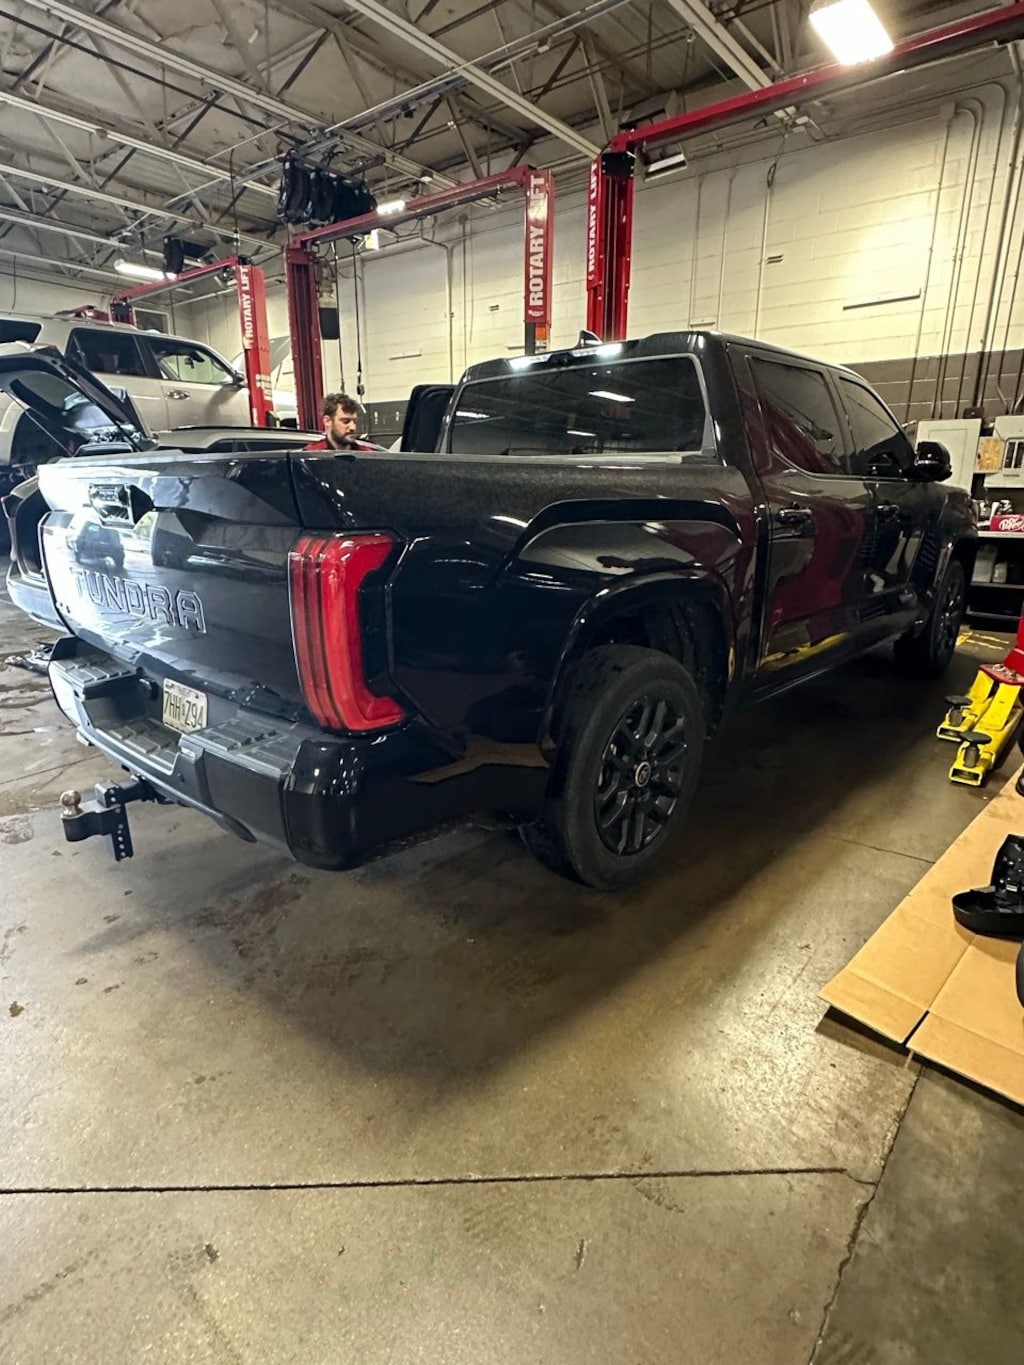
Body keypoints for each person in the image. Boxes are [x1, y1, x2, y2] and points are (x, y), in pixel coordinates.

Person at [304, 392, 379, 451]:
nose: (353, 427)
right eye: (345, 421)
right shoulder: (313, 455)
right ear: (327, 421)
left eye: (355, 421)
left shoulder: (365, 455)